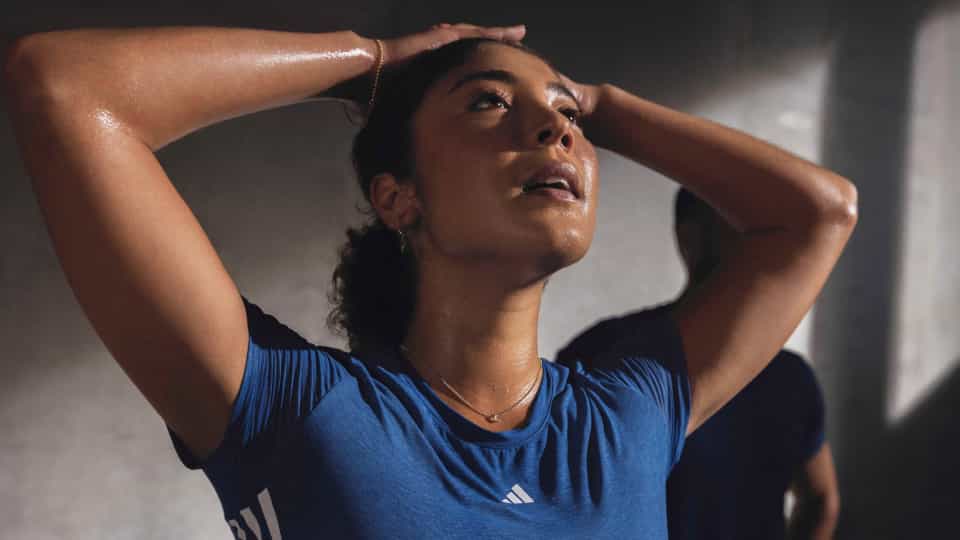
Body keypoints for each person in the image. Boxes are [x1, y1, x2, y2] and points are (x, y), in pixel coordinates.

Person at [3, 21, 857, 539]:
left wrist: (595, 101)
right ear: (396, 197)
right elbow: (64, 88)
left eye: (565, 118)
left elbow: (821, 212)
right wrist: (368, 61)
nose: (553, 131)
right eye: (489, 102)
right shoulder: (292, 407)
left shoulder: (624, 421)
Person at [557, 187, 841, 539]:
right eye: (738, 224)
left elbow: (821, 500)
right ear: (688, 236)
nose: (753, 244)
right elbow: (561, 501)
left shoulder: (791, 377)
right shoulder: (601, 350)